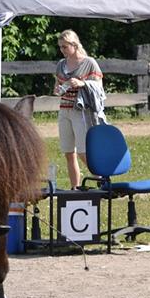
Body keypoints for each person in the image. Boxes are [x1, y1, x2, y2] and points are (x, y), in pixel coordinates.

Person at [52, 30, 105, 188]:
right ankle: (74, 188)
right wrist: (57, 89)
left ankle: (100, 179)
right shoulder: (61, 64)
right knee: (68, 152)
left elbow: (99, 87)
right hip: (64, 109)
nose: (62, 50)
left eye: (65, 46)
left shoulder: (89, 62)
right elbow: (57, 85)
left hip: (80, 110)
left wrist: (82, 83)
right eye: (61, 47)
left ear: (74, 45)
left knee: (83, 151)